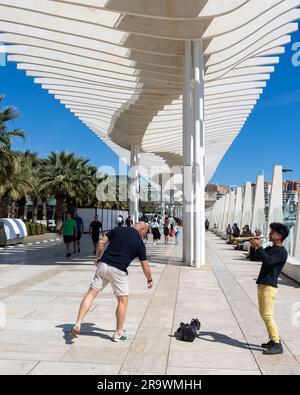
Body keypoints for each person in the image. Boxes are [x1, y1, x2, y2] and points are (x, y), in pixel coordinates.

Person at [71, 221, 153, 342]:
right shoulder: (139, 243)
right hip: (119, 271)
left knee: (90, 294)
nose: (144, 235)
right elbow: (144, 265)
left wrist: (97, 258)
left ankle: (78, 323)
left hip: (103, 265)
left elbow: (101, 242)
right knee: (122, 301)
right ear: (142, 231)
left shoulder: (118, 230)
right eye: (145, 232)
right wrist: (149, 279)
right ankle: (118, 333)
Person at [250, 222, 289, 355]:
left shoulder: (282, 252)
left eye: (272, 232)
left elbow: (268, 261)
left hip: (269, 286)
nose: (270, 234)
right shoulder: (270, 248)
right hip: (262, 284)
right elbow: (255, 258)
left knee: (267, 315)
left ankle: (277, 343)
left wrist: (260, 246)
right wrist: (253, 247)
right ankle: (273, 341)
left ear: (279, 236)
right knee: (263, 314)